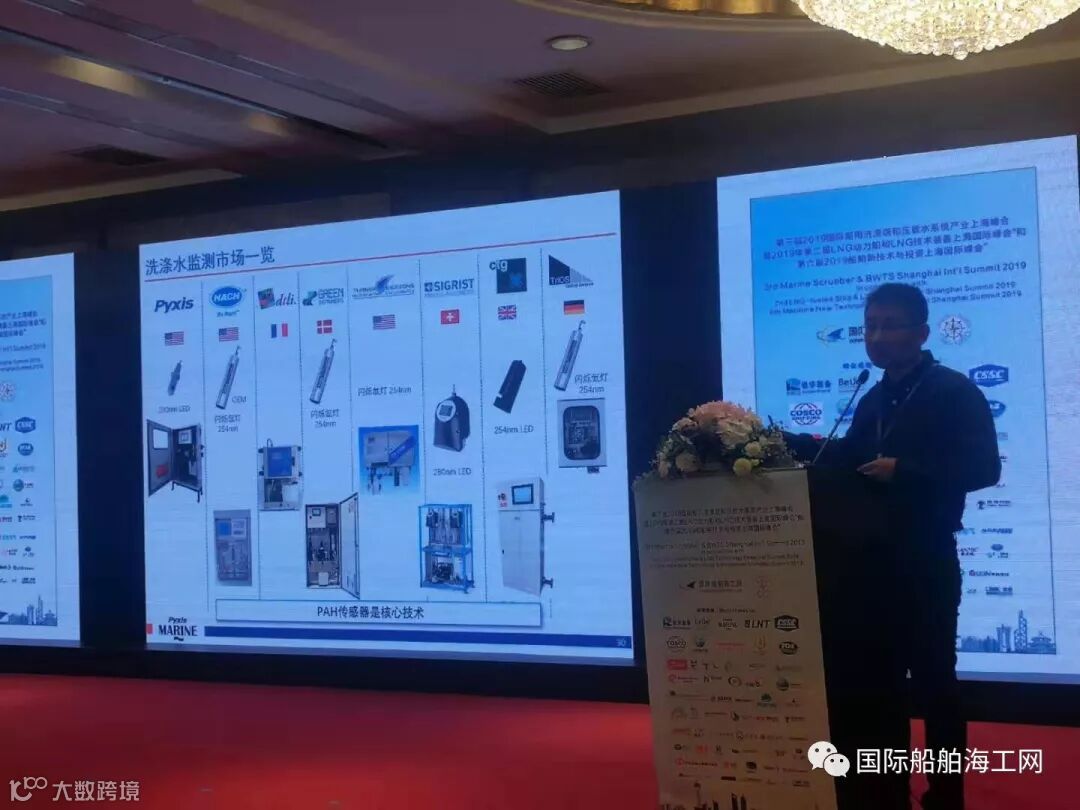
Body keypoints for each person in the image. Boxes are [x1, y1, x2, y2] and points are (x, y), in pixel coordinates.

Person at [785, 283, 1000, 810]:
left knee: (934, 685)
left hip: (925, 560)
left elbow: (983, 469)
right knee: (881, 688)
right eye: (870, 326)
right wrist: (786, 443)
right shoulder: (873, 397)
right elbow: (849, 458)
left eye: (889, 325)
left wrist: (905, 470)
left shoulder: (953, 391)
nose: (877, 337)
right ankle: (887, 790)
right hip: (869, 566)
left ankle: (946, 793)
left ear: (921, 333)